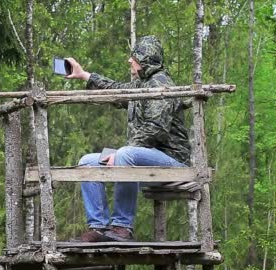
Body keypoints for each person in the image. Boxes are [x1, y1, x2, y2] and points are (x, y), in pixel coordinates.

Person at [66, 35, 190, 242]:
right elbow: (116, 90)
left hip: (173, 162)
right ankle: (99, 227)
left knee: (124, 154)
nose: (129, 61)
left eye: (134, 57)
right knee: (87, 162)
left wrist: (121, 154)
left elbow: (155, 130)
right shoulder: (142, 84)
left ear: (145, 60)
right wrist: (84, 75)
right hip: (141, 156)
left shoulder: (161, 84)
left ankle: (122, 227)